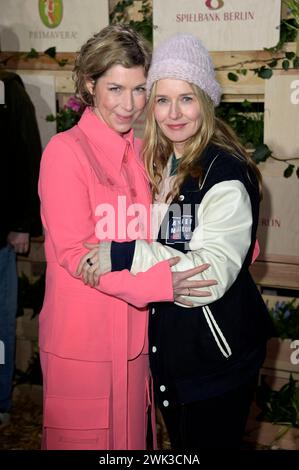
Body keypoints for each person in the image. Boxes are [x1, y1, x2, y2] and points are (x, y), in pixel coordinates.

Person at [79, 33, 274, 449]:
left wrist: (124, 254)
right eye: (162, 99)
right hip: (181, 358)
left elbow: (209, 277)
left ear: (205, 100)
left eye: (186, 98)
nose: (173, 113)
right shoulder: (167, 159)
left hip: (217, 361)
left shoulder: (224, 173)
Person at [38, 25, 216, 450]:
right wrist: (160, 283)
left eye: (140, 90)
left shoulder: (144, 152)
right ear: (89, 84)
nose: (129, 104)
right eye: (115, 88)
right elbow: (78, 255)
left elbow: (176, 224)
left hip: (138, 345)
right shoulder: (65, 152)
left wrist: (230, 239)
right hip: (82, 347)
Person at [0, 69, 42, 428]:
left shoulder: (6, 89)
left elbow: (26, 153)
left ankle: (0, 403)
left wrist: (21, 223)